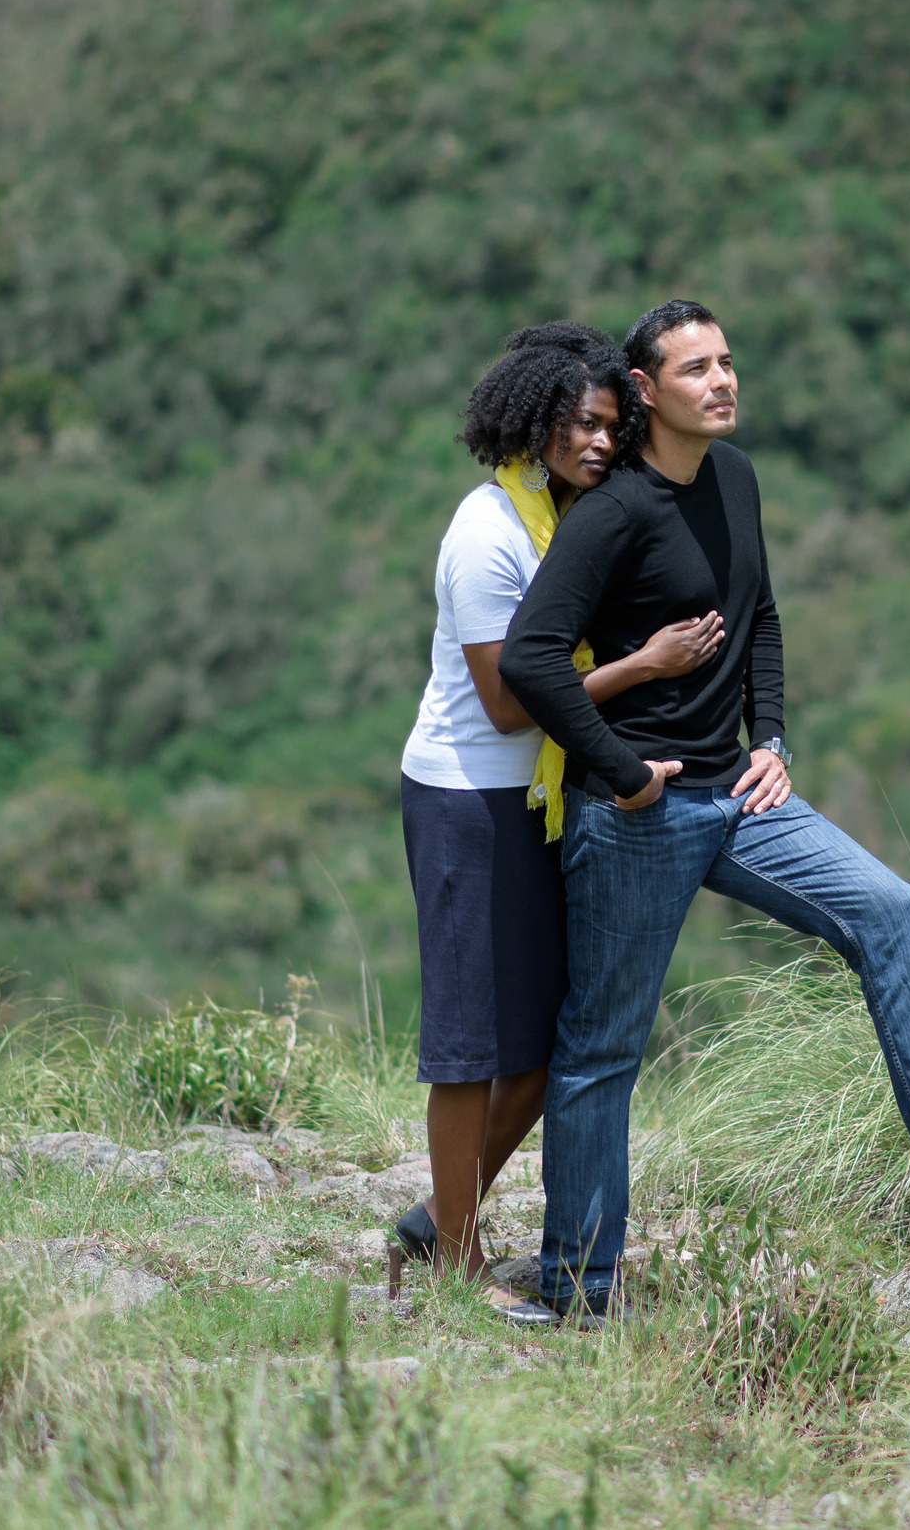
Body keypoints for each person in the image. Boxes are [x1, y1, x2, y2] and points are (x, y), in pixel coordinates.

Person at [499, 298, 910, 1322]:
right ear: (647, 391)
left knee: (891, 910)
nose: (723, 380)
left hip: (739, 793)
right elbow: (529, 661)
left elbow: (759, 614)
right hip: (638, 813)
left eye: (728, 361)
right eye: (697, 368)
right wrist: (623, 770)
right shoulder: (614, 513)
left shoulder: (734, 478)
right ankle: (574, 1292)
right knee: (603, 1047)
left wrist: (770, 736)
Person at [391, 324, 728, 1304]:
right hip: (467, 795)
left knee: (547, 1045)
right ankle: (455, 1259)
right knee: (470, 1044)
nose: (594, 442)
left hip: (543, 792)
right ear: (534, 419)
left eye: (608, 427)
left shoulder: (568, 516)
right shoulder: (488, 533)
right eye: (579, 423)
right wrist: (646, 666)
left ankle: (432, 1220)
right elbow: (508, 701)